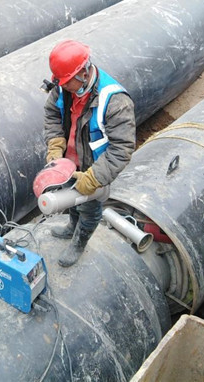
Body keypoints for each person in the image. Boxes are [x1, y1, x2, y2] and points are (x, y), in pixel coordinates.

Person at [43, 40, 136, 267]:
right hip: (69, 162)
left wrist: (94, 178)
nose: (64, 87)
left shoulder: (115, 101)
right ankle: (71, 227)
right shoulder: (64, 86)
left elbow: (122, 148)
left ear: (83, 73)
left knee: (89, 207)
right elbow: (52, 113)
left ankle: (79, 242)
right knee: (71, 198)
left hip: (94, 166)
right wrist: (55, 145)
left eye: (67, 82)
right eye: (61, 82)